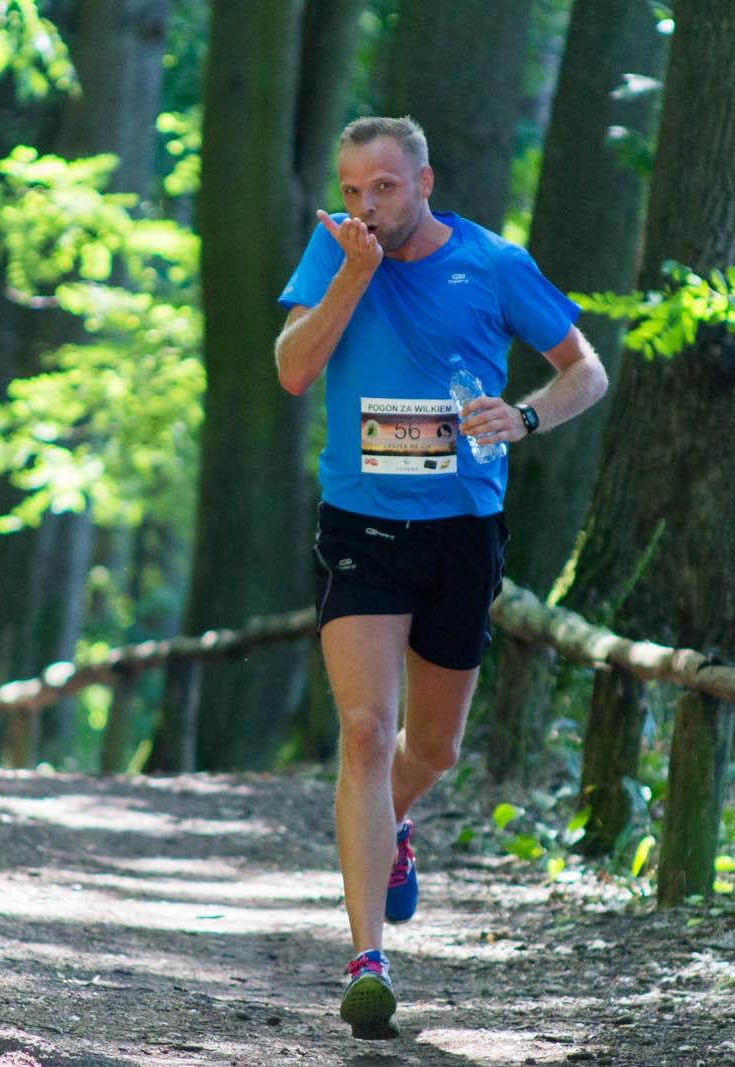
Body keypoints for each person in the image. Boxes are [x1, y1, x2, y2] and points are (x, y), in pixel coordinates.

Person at [274, 116, 609, 1039]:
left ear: (424, 180)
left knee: (432, 749)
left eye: (381, 187)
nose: (364, 207)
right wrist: (350, 274)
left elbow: (586, 371)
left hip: (463, 528)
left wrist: (527, 418)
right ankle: (368, 960)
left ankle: (389, 829)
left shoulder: (494, 263)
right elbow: (294, 371)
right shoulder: (336, 254)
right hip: (362, 525)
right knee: (365, 731)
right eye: (349, 190)